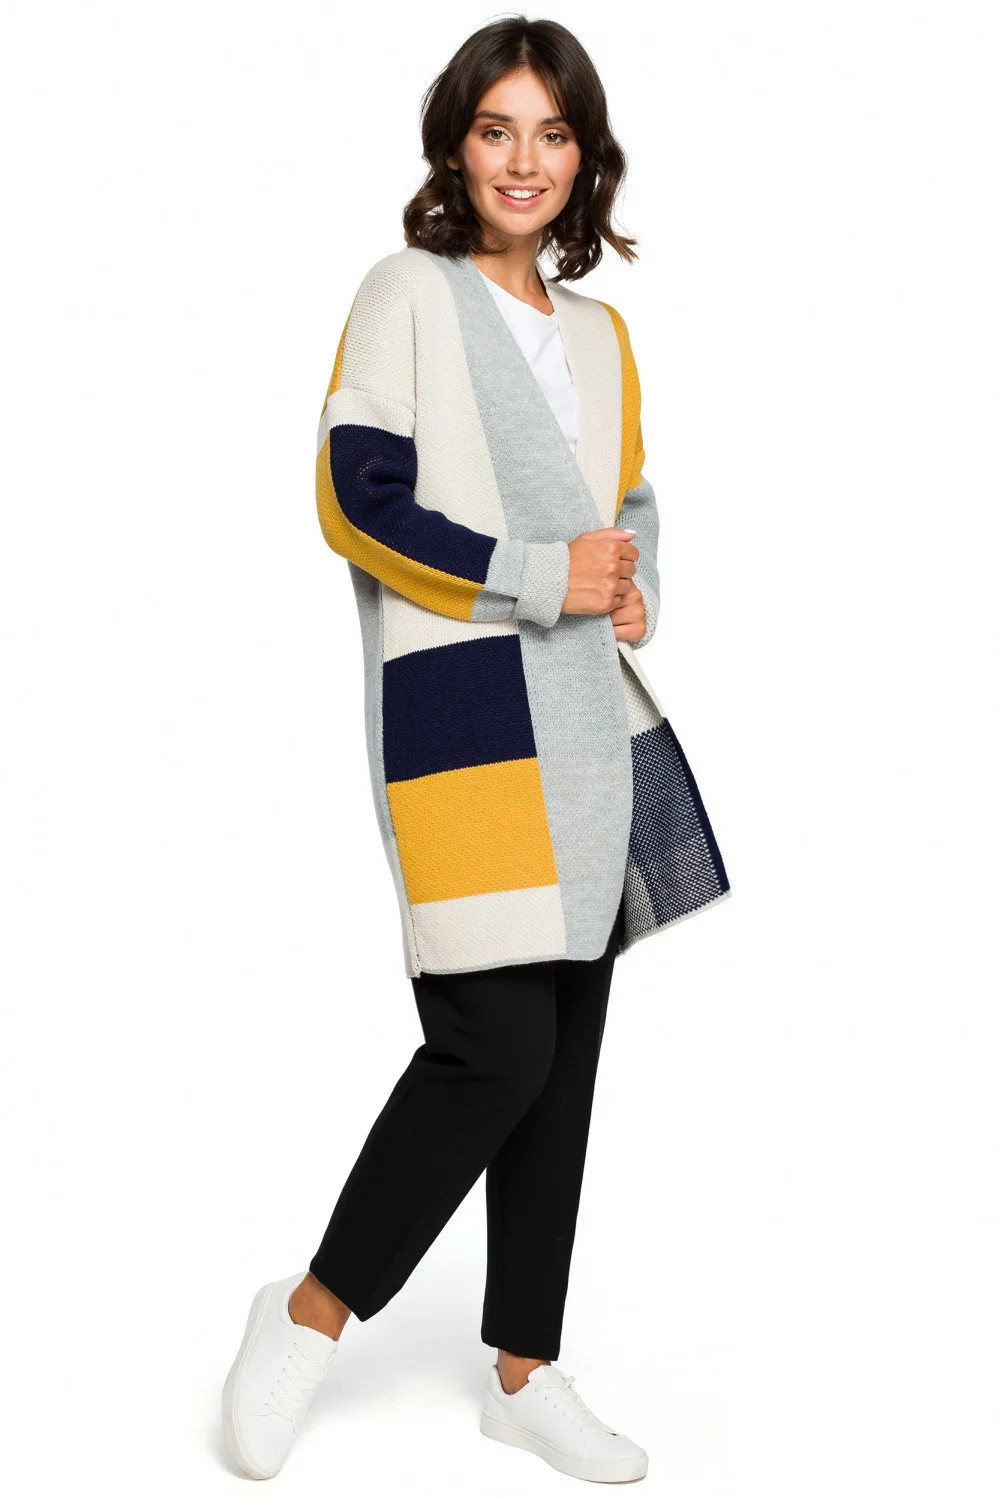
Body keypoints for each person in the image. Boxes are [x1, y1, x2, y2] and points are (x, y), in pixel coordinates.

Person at [221, 15, 730, 1486]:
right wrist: (539, 576)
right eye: (498, 129)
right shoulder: (407, 294)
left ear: (585, 158)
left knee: (562, 1050)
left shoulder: (600, 335)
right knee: (491, 1046)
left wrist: (630, 579)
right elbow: (355, 498)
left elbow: (627, 500)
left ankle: (523, 1367)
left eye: (553, 134)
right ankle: (309, 1313)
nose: (525, 160)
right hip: (467, 729)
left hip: (589, 724)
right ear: (457, 145)